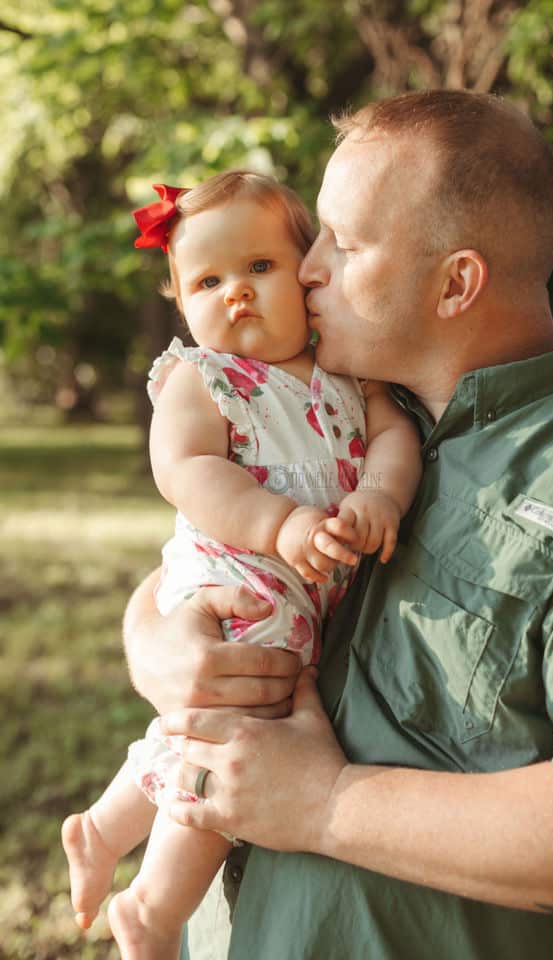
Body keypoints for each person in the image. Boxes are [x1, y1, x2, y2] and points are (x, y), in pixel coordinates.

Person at [124, 90, 553, 960]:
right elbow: (209, 549)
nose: (305, 268)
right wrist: (157, 639)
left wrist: (327, 804)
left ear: (456, 282)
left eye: (344, 243)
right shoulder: (330, 419)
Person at [61, 171, 422, 960]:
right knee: (241, 734)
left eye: (260, 268)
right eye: (208, 280)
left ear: (309, 269)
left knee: (214, 722)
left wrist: (380, 498)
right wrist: (280, 523)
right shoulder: (203, 377)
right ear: (179, 299)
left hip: (302, 584)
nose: (236, 294)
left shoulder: (350, 371)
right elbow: (188, 471)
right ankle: (154, 909)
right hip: (238, 574)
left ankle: (102, 828)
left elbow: (394, 439)